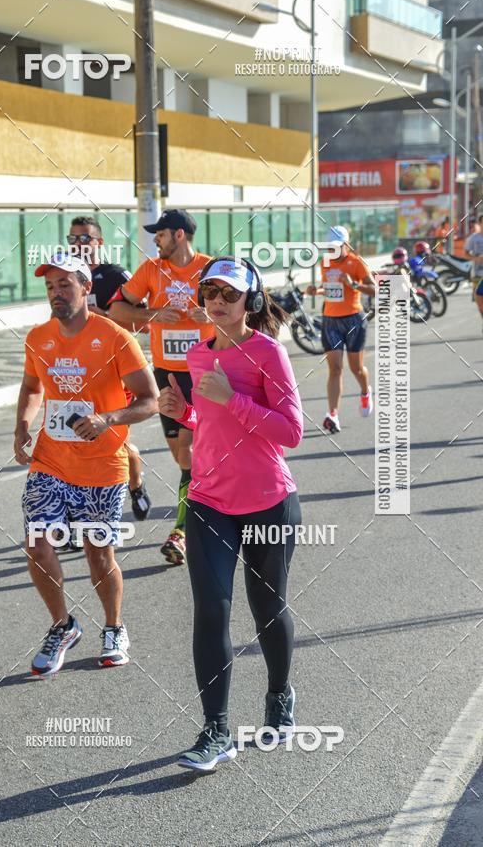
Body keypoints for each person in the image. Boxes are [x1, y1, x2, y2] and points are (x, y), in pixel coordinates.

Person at [158, 257, 303, 772]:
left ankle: (279, 694)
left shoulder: (268, 352)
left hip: (267, 500)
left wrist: (233, 398)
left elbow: (291, 431)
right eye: (210, 291)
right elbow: (210, 418)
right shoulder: (198, 354)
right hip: (209, 501)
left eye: (229, 293)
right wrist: (184, 412)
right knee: (212, 610)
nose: (218, 300)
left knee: (267, 608)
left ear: (251, 300)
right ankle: (215, 729)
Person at [14, 252, 159, 675]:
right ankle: (62, 626)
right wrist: (22, 427)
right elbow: (31, 387)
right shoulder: (38, 338)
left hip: (102, 465)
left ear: (86, 287)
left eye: (64, 285)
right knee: (37, 544)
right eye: (50, 287)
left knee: (99, 555)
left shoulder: (115, 337)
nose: (56, 293)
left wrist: (107, 419)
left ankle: (114, 627)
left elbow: (150, 400)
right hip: (52, 461)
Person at [109, 209, 213, 566]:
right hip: (166, 375)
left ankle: (180, 533)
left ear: (179, 235)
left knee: (189, 452)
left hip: (203, 374)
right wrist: (151, 315)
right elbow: (117, 311)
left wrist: (212, 314)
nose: (156, 239)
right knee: (183, 458)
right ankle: (206, 509)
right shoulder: (151, 270)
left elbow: (243, 309)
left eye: (161, 233)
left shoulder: (210, 269)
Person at [66, 216, 152, 529]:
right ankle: (74, 517)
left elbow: (144, 322)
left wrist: (102, 315)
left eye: (84, 238)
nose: (78, 245)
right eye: (73, 239)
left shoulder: (116, 276)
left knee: (110, 437)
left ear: (99, 242)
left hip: (117, 368)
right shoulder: (66, 276)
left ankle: (135, 482)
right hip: (77, 370)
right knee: (74, 437)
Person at [305, 226, 375, 434]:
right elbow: (329, 288)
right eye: (329, 248)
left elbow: (374, 289)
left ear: (346, 245)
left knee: (356, 368)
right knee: (335, 369)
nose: (332, 251)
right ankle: (333, 415)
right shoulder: (325, 263)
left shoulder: (357, 262)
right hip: (331, 320)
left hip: (354, 319)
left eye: (336, 247)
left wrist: (353, 284)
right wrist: (316, 291)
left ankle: (365, 392)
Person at [465, 220, 483, 332]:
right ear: (480, 224)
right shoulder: (473, 238)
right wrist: (477, 258)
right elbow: (465, 254)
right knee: (479, 301)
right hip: (477, 274)